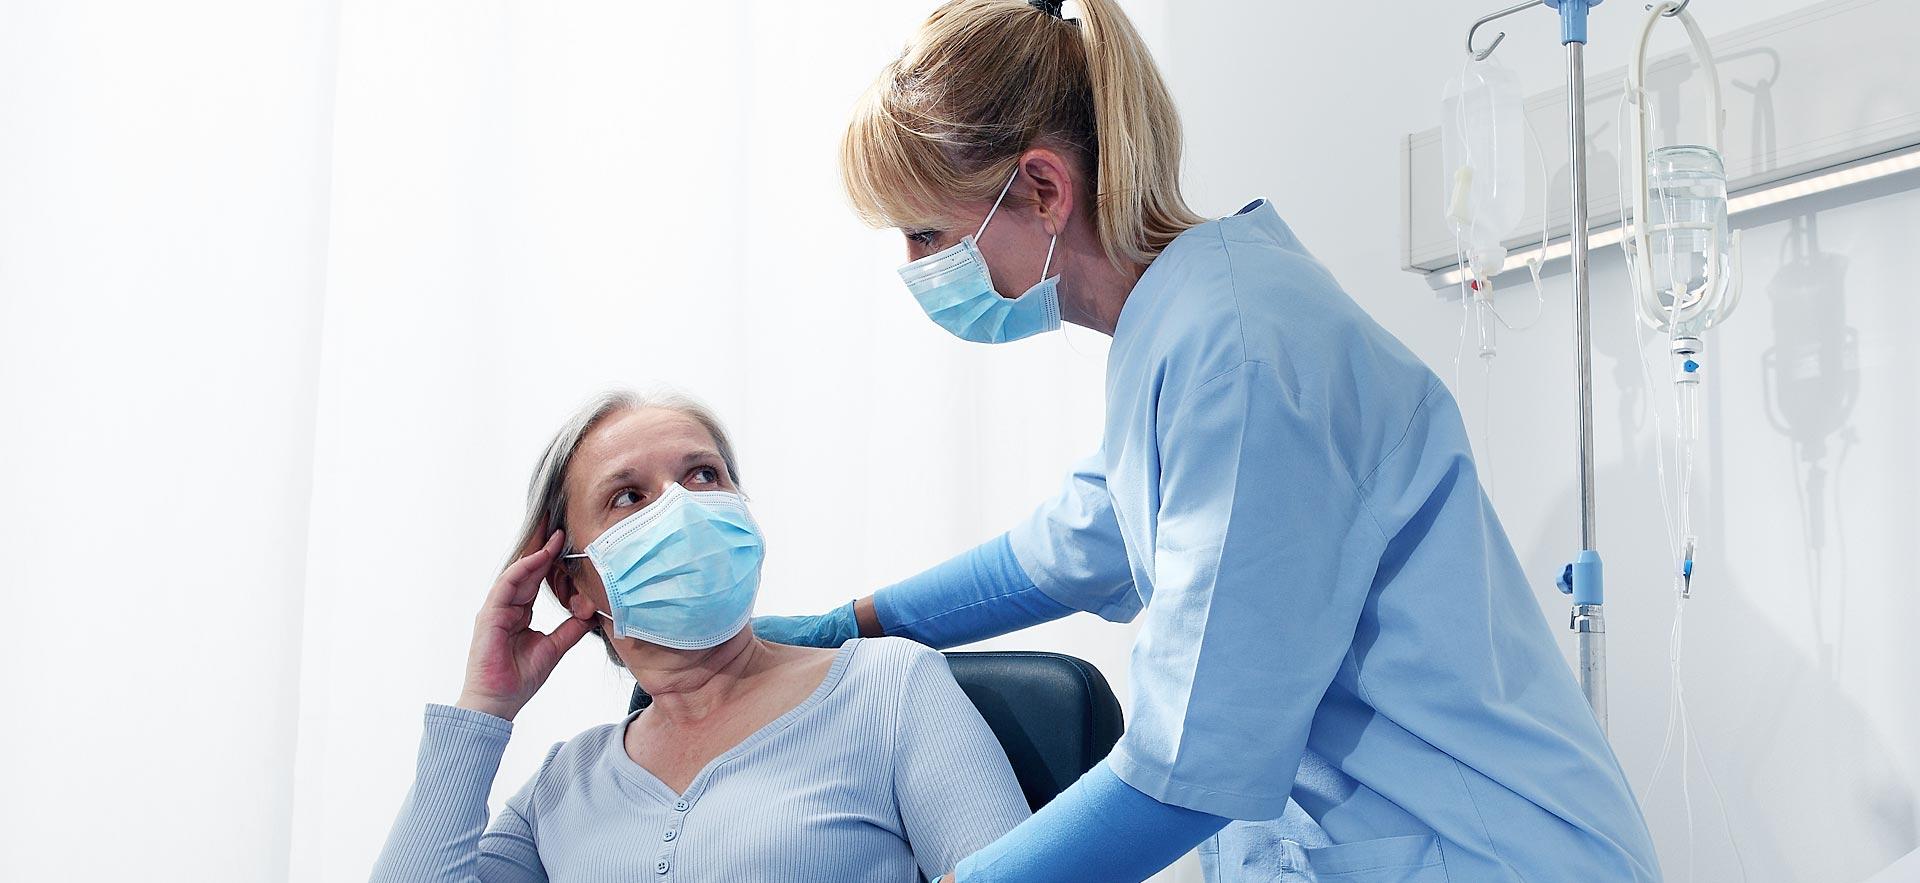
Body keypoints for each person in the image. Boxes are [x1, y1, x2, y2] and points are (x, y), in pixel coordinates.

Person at [753, 0, 1663, 880]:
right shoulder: (1184, 330)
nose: (916, 272)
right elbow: (1064, 549)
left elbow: (1187, 763)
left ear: (1041, 189)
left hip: (1491, 852)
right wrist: (846, 627)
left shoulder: (1241, 353)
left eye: (926, 234)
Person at [372, 390, 1029, 882]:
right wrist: (485, 705)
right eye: (629, 496)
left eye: (702, 475)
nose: (679, 507)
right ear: (572, 584)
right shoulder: (564, 784)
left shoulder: (890, 688)